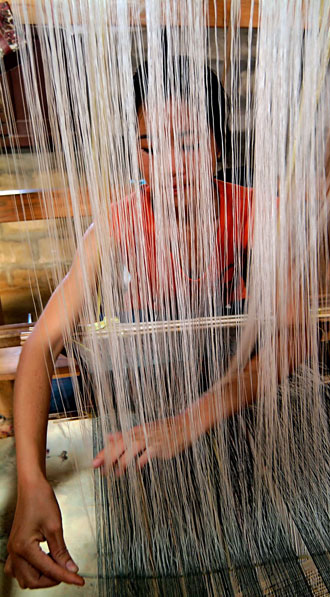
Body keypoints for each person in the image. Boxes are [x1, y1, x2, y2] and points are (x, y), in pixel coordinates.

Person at [4, 58, 262, 590]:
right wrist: (31, 478)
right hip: (150, 386)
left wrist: (186, 425)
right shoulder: (115, 226)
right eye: (150, 146)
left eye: (187, 143)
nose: (169, 166)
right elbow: (40, 345)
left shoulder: (256, 214)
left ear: (217, 146)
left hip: (230, 387)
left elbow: (296, 337)